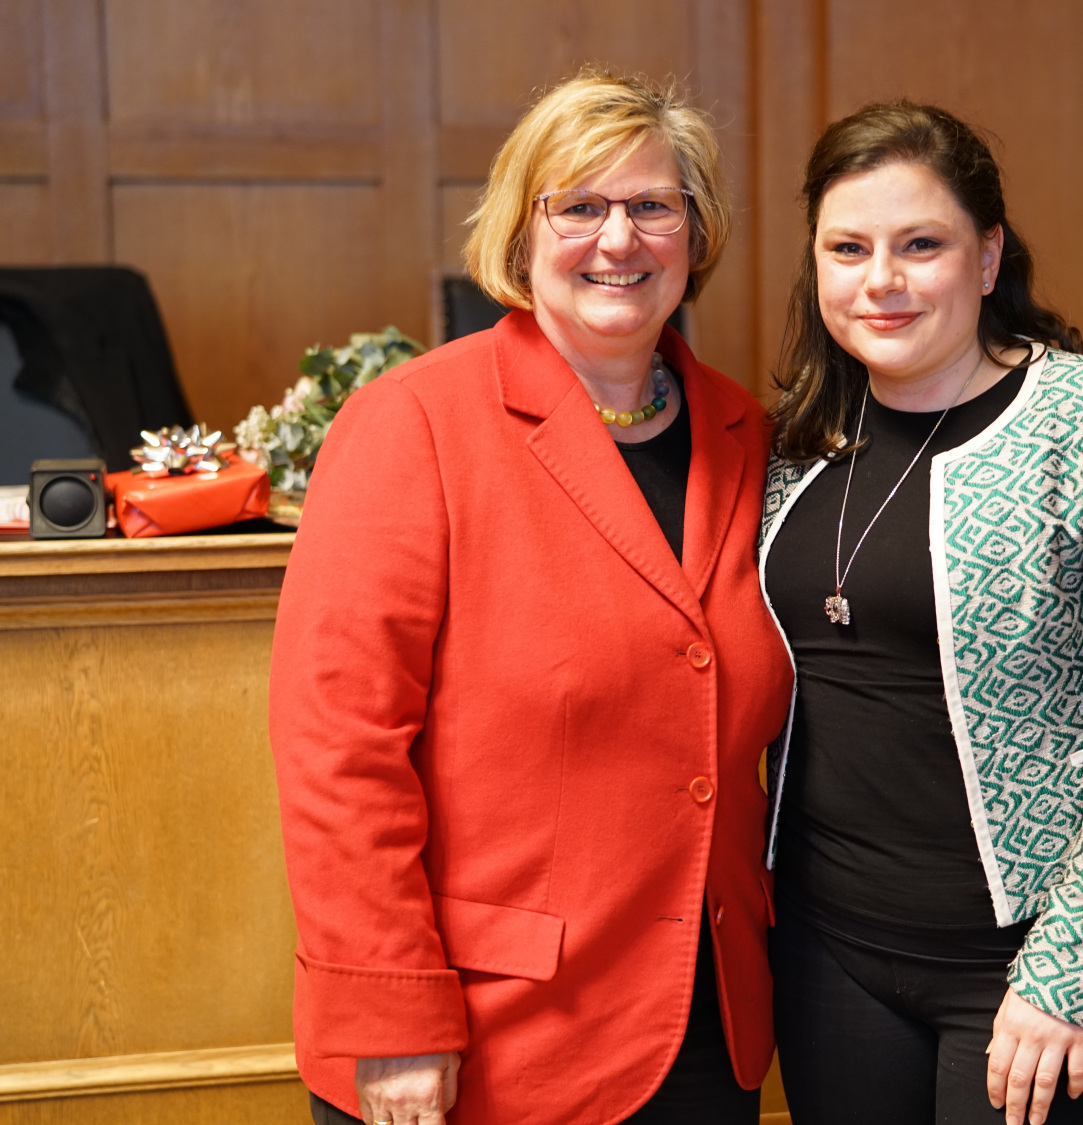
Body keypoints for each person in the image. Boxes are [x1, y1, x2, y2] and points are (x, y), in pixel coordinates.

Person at [269, 69, 793, 1125]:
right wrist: (393, 1015)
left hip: (703, 1025)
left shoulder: (746, 434)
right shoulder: (412, 424)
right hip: (487, 1038)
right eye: (581, 207)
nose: (619, 239)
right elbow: (339, 749)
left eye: (653, 206)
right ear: (522, 235)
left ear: (696, 236)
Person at [759, 101, 1083, 1125]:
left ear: (986, 257)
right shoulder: (795, 433)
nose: (879, 280)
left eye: (920, 244)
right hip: (825, 943)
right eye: (847, 248)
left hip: (1025, 957)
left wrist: (1073, 970)